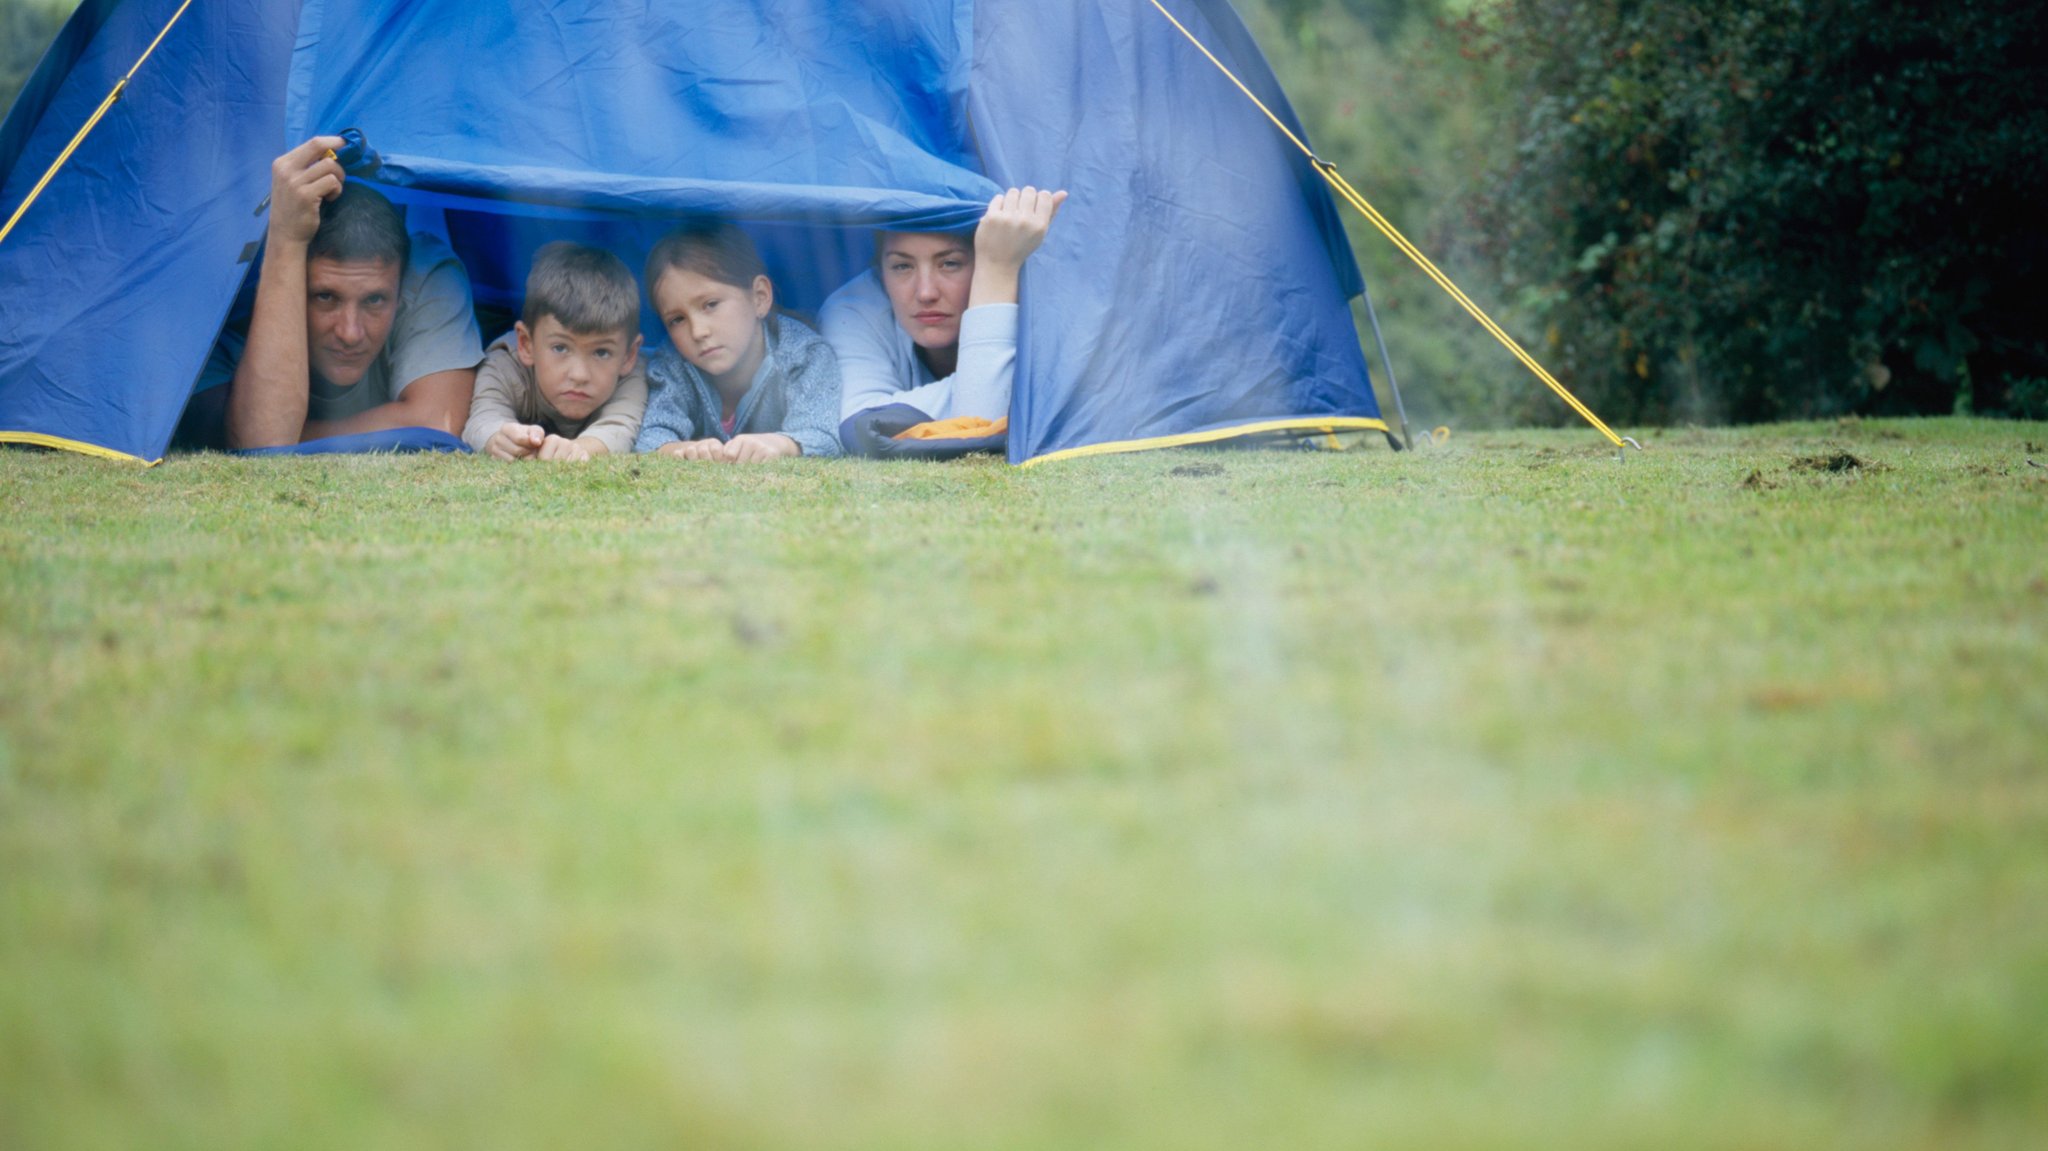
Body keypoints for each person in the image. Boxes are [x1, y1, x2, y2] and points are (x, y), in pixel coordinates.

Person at [176, 135, 483, 450]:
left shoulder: (424, 272)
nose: (350, 333)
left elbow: (436, 423)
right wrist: (288, 239)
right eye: (325, 297)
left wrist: (296, 437)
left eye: (374, 300)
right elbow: (263, 442)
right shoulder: (223, 305)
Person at [820, 186, 1067, 446]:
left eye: (950, 263)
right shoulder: (853, 307)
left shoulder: (1041, 306)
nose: (926, 293)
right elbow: (861, 424)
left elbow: (979, 421)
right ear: (880, 271)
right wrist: (1014, 385)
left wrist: (997, 269)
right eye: (902, 266)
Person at [633, 221, 843, 462]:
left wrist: (780, 444)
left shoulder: (805, 355)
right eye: (677, 319)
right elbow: (652, 436)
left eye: (711, 305)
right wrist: (681, 450)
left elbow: (822, 434)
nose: (698, 332)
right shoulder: (672, 363)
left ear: (760, 297)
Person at [463, 242, 647, 461]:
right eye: (560, 348)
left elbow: (620, 428)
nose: (579, 375)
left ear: (629, 355)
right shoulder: (505, 365)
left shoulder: (631, 376)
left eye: (601, 352)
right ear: (526, 343)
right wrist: (500, 439)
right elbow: (483, 418)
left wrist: (580, 449)